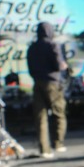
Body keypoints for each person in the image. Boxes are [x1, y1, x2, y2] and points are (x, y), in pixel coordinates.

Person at [27, 22, 68, 158]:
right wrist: (63, 65)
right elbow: (58, 64)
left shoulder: (32, 47)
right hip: (53, 83)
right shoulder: (52, 45)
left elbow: (30, 68)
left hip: (38, 82)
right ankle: (58, 143)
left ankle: (44, 149)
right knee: (59, 113)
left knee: (41, 117)